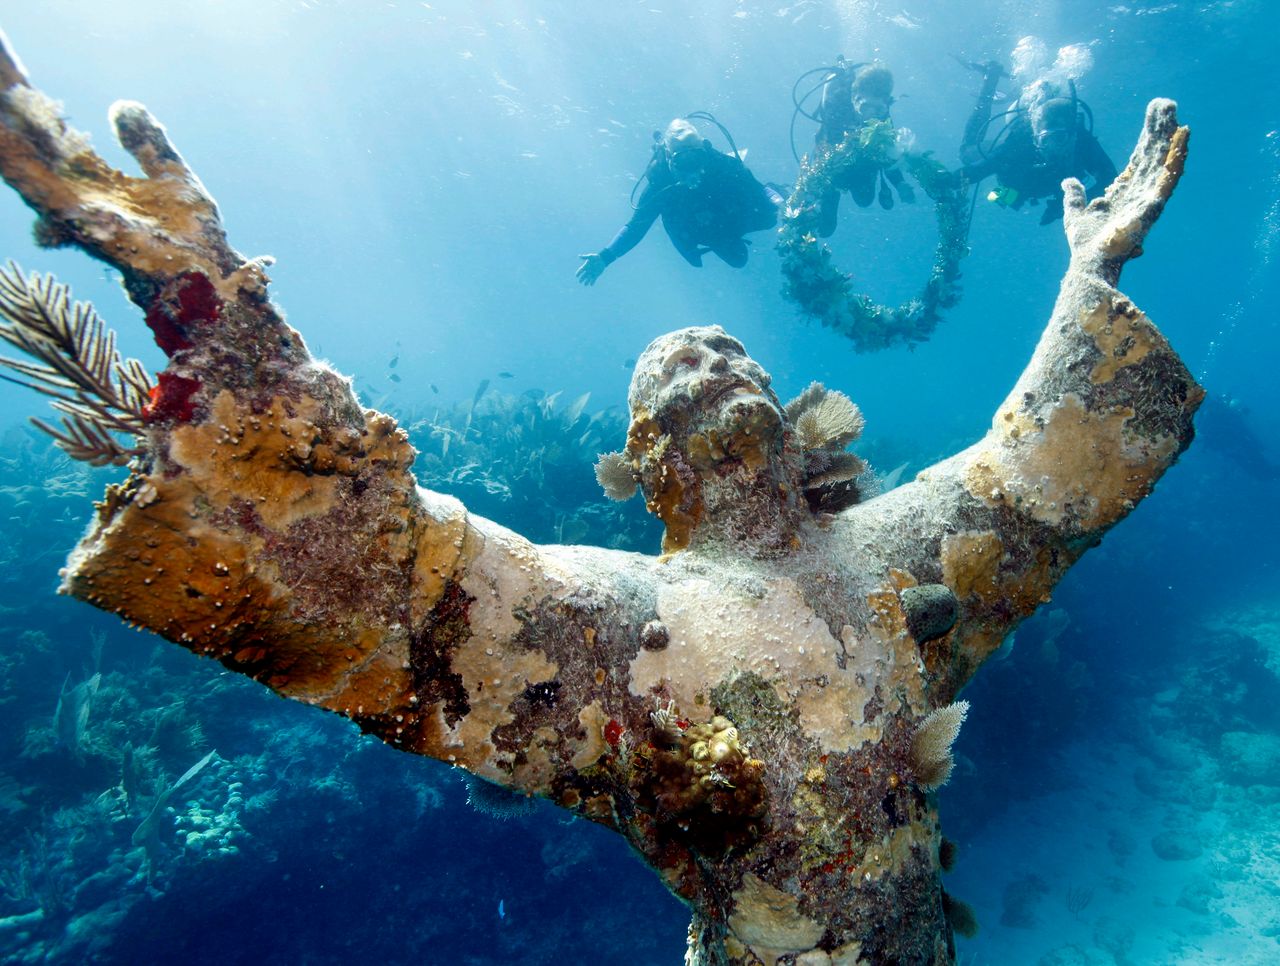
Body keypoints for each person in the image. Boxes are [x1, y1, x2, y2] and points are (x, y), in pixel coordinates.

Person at [577, 117, 781, 285]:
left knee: (770, 218)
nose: (694, 170)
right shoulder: (660, 185)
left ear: (704, 151)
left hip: (726, 208)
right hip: (700, 226)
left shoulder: (720, 164)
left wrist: (778, 200)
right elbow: (636, 227)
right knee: (738, 259)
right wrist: (605, 257)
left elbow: (757, 188)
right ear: (669, 158)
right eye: (683, 162)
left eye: (697, 159)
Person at [960, 60, 1117, 225]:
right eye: (1045, 139)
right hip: (1018, 181)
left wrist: (1067, 206)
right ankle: (990, 81)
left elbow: (1111, 180)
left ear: (1072, 135)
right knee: (966, 154)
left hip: (1036, 185)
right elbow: (980, 169)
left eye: (1059, 138)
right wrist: (950, 181)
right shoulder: (1019, 144)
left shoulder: (1083, 142)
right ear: (1035, 137)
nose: (1052, 147)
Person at [812, 61, 915, 237]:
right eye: (866, 106)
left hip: (862, 162)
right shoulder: (836, 105)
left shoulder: (882, 117)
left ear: (885, 104)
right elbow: (828, 149)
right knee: (826, 228)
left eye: (878, 108)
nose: (870, 114)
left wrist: (900, 183)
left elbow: (887, 152)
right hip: (832, 163)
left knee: (865, 200)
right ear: (855, 97)